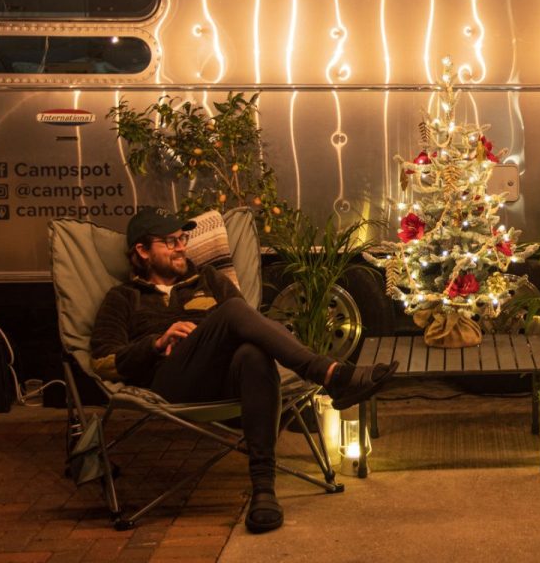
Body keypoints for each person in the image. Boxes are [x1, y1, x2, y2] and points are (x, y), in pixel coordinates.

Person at [90, 207, 397, 534]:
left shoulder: (209, 279)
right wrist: (154, 342)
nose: (182, 246)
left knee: (252, 353)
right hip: (170, 382)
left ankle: (263, 489)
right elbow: (103, 360)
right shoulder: (123, 298)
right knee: (235, 310)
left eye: (183, 238)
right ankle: (330, 374)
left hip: (224, 381)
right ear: (142, 250)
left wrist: (211, 334)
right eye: (169, 241)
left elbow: (248, 328)